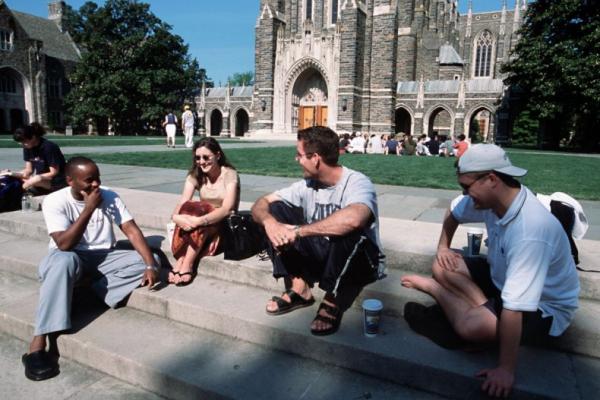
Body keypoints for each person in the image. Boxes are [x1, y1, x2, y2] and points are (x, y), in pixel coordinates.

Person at [401, 144, 579, 398]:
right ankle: (483, 305)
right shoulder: (492, 199)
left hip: (543, 307)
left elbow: (516, 307)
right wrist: (443, 247)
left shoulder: (530, 230)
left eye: (467, 187)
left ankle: (436, 291)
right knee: (442, 264)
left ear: (492, 179)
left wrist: (505, 369)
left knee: (471, 328)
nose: (465, 194)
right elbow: (453, 211)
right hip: (501, 277)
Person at [21, 156, 160, 381]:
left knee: (149, 258)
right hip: (68, 256)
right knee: (63, 262)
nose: (96, 184)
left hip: (103, 256)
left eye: (97, 178)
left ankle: (87, 292)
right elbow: (64, 244)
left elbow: (131, 230)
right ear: (70, 181)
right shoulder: (55, 201)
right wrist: (88, 209)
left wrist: (149, 265)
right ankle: (38, 343)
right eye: (89, 180)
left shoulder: (109, 195)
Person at [251, 126, 385, 336]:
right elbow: (262, 203)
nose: (296, 160)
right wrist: (270, 223)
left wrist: (297, 231)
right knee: (273, 212)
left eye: (299, 155)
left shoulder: (357, 182)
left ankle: (332, 299)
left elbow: (355, 219)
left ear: (315, 158)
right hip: (322, 255)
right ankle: (300, 288)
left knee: (348, 229)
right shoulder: (307, 185)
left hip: (360, 261)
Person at [169, 137, 240, 286]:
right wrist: (176, 217)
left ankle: (186, 262)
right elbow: (182, 202)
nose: (201, 162)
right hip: (200, 224)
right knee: (189, 207)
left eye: (206, 157)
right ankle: (182, 260)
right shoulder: (196, 174)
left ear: (218, 155)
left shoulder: (229, 174)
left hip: (222, 224)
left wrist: (198, 220)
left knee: (200, 209)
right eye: (198, 158)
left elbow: (227, 209)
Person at [11, 123, 66, 195]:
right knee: (13, 178)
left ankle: (16, 194)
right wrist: (11, 173)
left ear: (33, 137)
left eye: (24, 141)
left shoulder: (49, 147)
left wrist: (34, 179)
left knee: (36, 179)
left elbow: (54, 172)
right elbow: (29, 170)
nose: (22, 144)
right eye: (20, 142)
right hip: (42, 180)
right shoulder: (28, 147)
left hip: (58, 181)